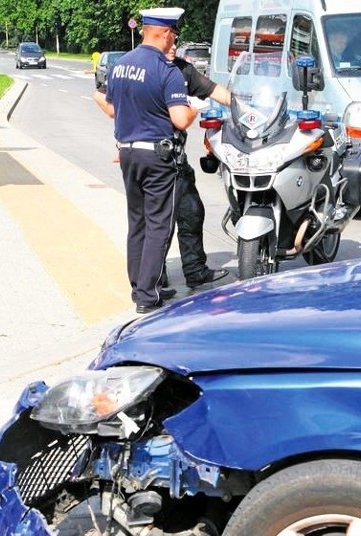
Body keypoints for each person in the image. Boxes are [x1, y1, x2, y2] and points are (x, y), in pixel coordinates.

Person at [94, 7, 197, 314]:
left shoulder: (122, 65)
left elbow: (110, 107)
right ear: (165, 33)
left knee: (136, 222)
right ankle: (148, 296)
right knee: (158, 226)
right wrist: (194, 110)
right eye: (174, 35)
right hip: (157, 156)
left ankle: (138, 284)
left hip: (127, 153)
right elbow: (180, 120)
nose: (173, 41)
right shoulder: (168, 72)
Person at [165, 43, 230, 289]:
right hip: (154, 161)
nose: (173, 47)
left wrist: (243, 106)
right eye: (167, 40)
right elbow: (103, 96)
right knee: (160, 223)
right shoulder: (147, 68)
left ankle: (195, 270)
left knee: (191, 212)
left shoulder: (182, 70)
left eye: (175, 40)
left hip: (177, 159)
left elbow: (213, 90)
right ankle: (154, 279)